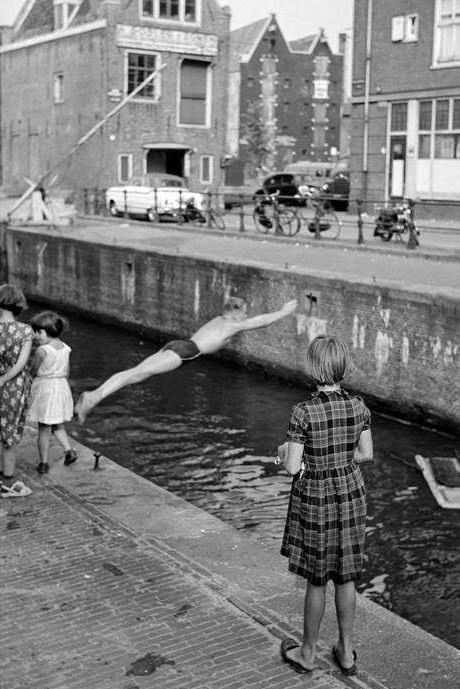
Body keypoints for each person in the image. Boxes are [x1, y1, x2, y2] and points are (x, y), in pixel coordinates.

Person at [277, 335, 373, 675]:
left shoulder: (302, 412)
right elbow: (366, 454)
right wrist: (339, 459)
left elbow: (292, 467)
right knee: (346, 576)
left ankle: (306, 654)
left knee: (317, 579)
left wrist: (284, 452)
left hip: (316, 496)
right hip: (350, 493)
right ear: (343, 367)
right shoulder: (359, 406)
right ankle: (346, 653)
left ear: (312, 368)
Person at [75, 297, 298, 423]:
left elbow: (243, 316)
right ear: (236, 314)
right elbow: (264, 321)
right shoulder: (233, 323)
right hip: (185, 351)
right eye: (244, 313)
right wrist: (284, 311)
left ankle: (91, 397)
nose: (246, 317)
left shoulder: (219, 318)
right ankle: (92, 397)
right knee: (133, 374)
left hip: (177, 345)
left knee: (136, 374)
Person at [28, 311, 77, 474]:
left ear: (47, 331)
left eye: (38, 332)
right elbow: (67, 371)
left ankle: (43, 462)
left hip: (46, 389)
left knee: (44, 427)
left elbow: (33, 370)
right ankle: (68, 450)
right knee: (57, 424)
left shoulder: (42, 350)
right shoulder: (66, 348)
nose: (36, 336)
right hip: (61, 386)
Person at [0, 284, 34, 490]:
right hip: (16, 386)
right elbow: (21, 363)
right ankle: (8, 474)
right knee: (10, 429)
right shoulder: (26, 331)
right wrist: (5, 379)